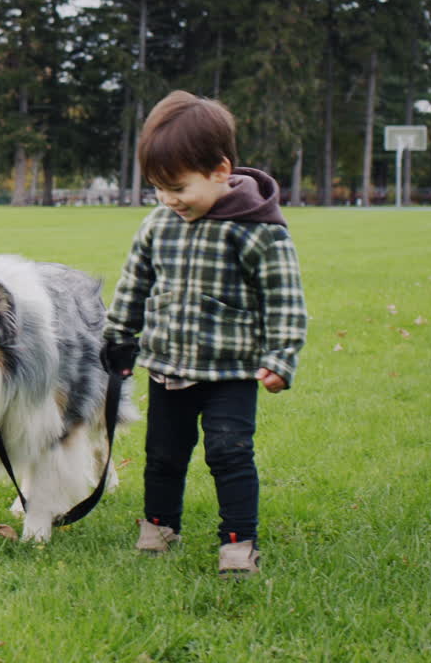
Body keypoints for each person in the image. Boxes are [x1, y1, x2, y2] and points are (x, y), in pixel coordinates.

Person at [102, 90, 307, 578]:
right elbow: (134, 283)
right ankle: (159, 527)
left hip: (230, 369)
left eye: (177, 187)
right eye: (157, 188)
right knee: (162, 455)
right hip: (169, 365)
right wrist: (118, 335)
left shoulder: (257, 231)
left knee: (229, 453)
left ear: (220, 170)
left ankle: (238, 543)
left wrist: (281, 358)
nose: (168, 199)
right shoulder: (157, 225)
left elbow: (285, 298)